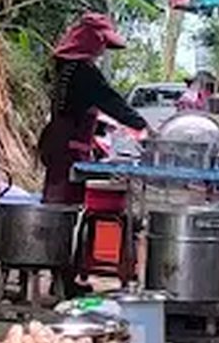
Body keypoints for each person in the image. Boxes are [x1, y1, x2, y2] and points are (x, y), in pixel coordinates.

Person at [38, 12, 148, 204]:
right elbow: (111, 101)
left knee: (57, 198)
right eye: (101, 43)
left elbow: (75, 104)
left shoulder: (62, 66)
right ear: (91, 41)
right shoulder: (83, 72)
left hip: (57, 143)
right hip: (70, 149)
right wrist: (142, 126)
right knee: (65, 202)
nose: (101, 50)